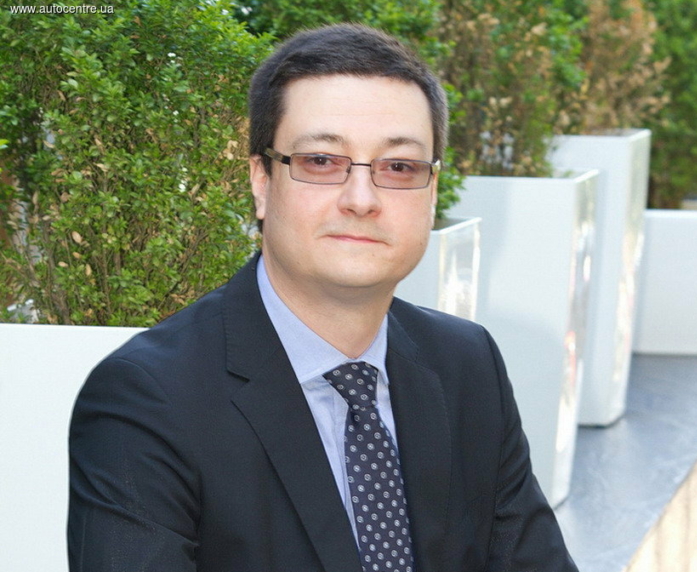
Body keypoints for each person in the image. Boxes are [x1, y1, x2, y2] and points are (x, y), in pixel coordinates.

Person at [68, 23, 578, 572]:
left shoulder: (466, 363)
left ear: (432, 190)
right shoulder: (147, 399)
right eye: (321, 161)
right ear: (262, 181)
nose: (361, 199)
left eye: (399, 167)